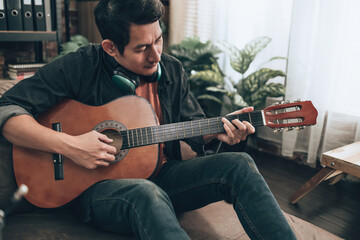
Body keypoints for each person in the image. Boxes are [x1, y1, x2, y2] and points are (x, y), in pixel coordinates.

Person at [0, 0, 296, 239]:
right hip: (96, 188)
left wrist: (220, 132)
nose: (156, 55)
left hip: (164, 174)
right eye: (142, 48)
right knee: (145, 191)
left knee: (240, 165)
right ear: (111, 47)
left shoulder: (172, 70)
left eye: (158, 40)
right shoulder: (81, 65)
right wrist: (70, 145)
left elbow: (194, 128)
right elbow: (7, 109)